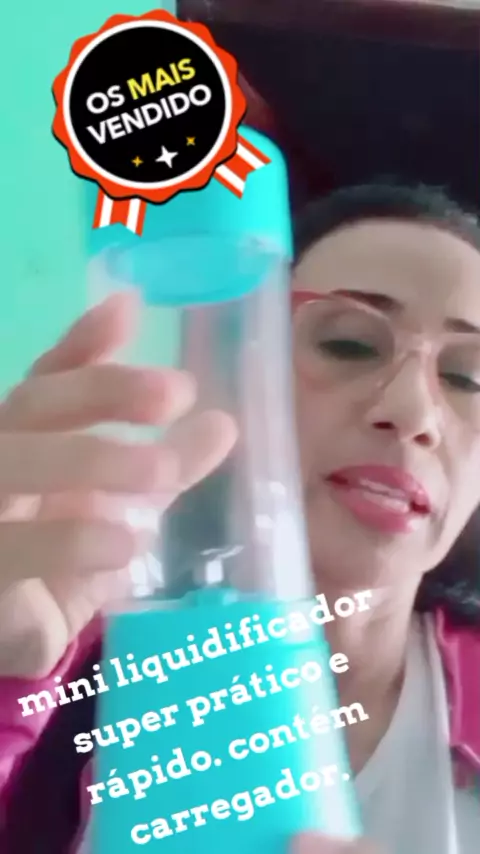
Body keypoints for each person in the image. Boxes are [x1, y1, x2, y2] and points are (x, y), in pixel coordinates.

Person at [0, 182, 479, 853]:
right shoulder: (59, 680)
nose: (412, 412)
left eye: (467, 378)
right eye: (348, 343)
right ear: (226, 372)